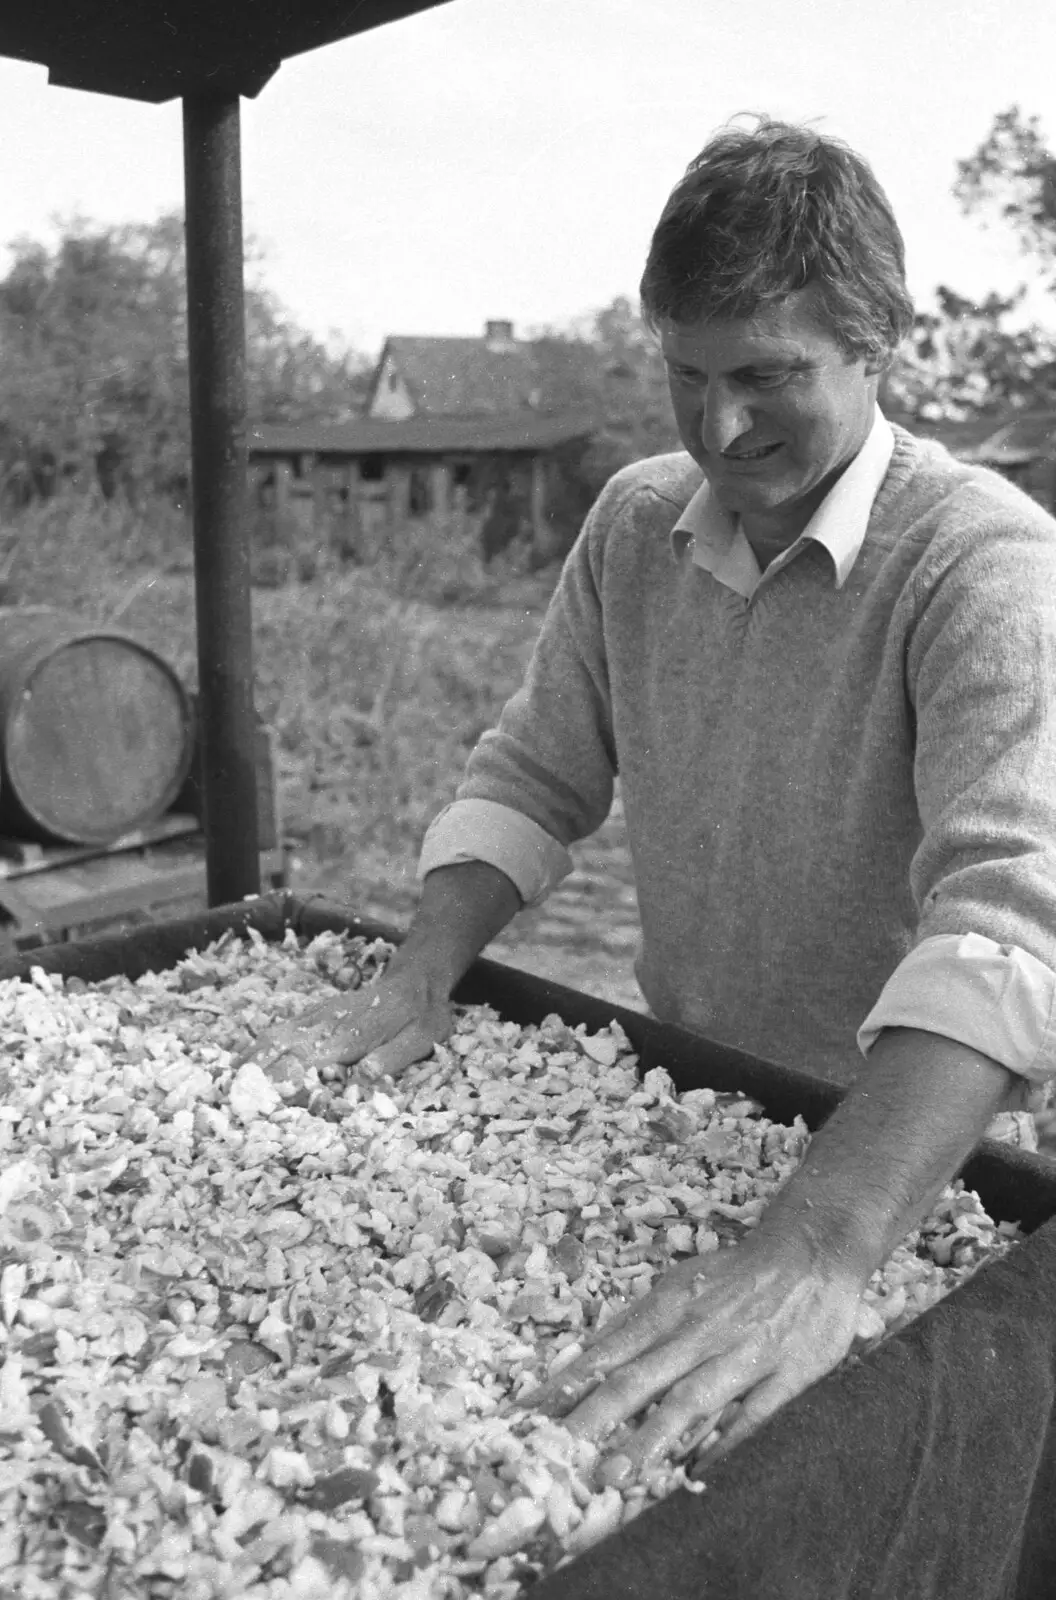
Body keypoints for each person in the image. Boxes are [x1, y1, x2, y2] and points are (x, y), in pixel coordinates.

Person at [249, 118, 1056, 1483]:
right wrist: (424, 965)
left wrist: (818, 1247)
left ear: (880, 345)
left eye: (766, 377)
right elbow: (533, 769)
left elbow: (1009, 927)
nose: (721, 427)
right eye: (685, 376)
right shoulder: (635, 523)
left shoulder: (981, 566)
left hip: (912, 1164)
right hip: (694, 1099)